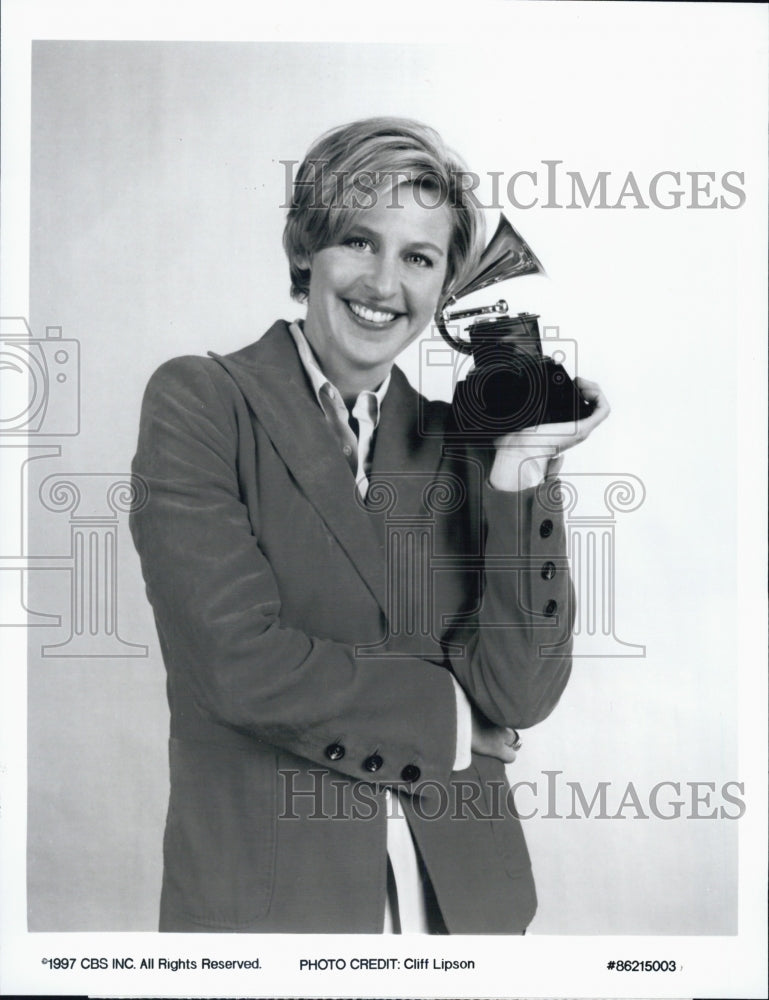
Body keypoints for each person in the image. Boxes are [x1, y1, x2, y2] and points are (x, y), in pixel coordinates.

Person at [129, 117, 609, 934]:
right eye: (359, 241)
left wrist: (520, 469)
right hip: (271, 909)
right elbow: (238, 664)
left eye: (418, 258)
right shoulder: (202, 402)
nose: (384, 284)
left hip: (466, 913)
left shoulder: (463, 443)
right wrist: (457, 722)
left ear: (442, 286)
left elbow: (518, 692)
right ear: (308, 248)